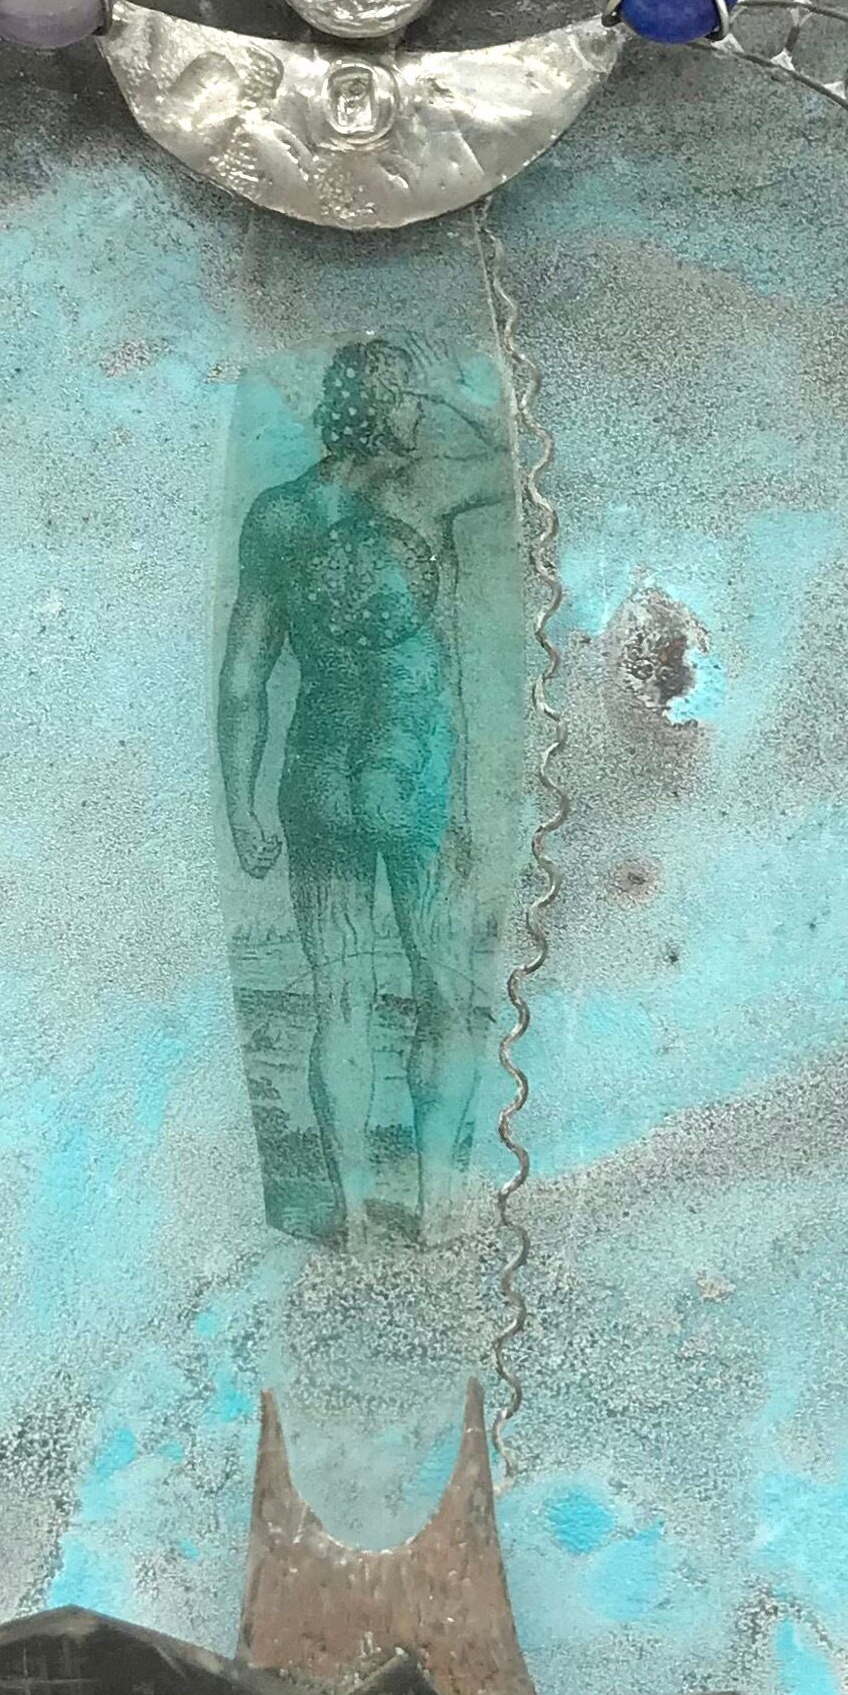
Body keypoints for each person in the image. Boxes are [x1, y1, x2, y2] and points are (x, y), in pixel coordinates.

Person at [217, 334, 517, 1245]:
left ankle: (349, 1214)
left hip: (315, 773)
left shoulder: (280, 515)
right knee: (443, 993)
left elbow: (243, 680)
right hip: (410, 770)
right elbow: (521, 456)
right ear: (391, 405)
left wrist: (241, 805)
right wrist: (454, 398)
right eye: (410, 400)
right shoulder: (426, 489)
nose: (420, 415)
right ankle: (434, 1208)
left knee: (339, 1001)